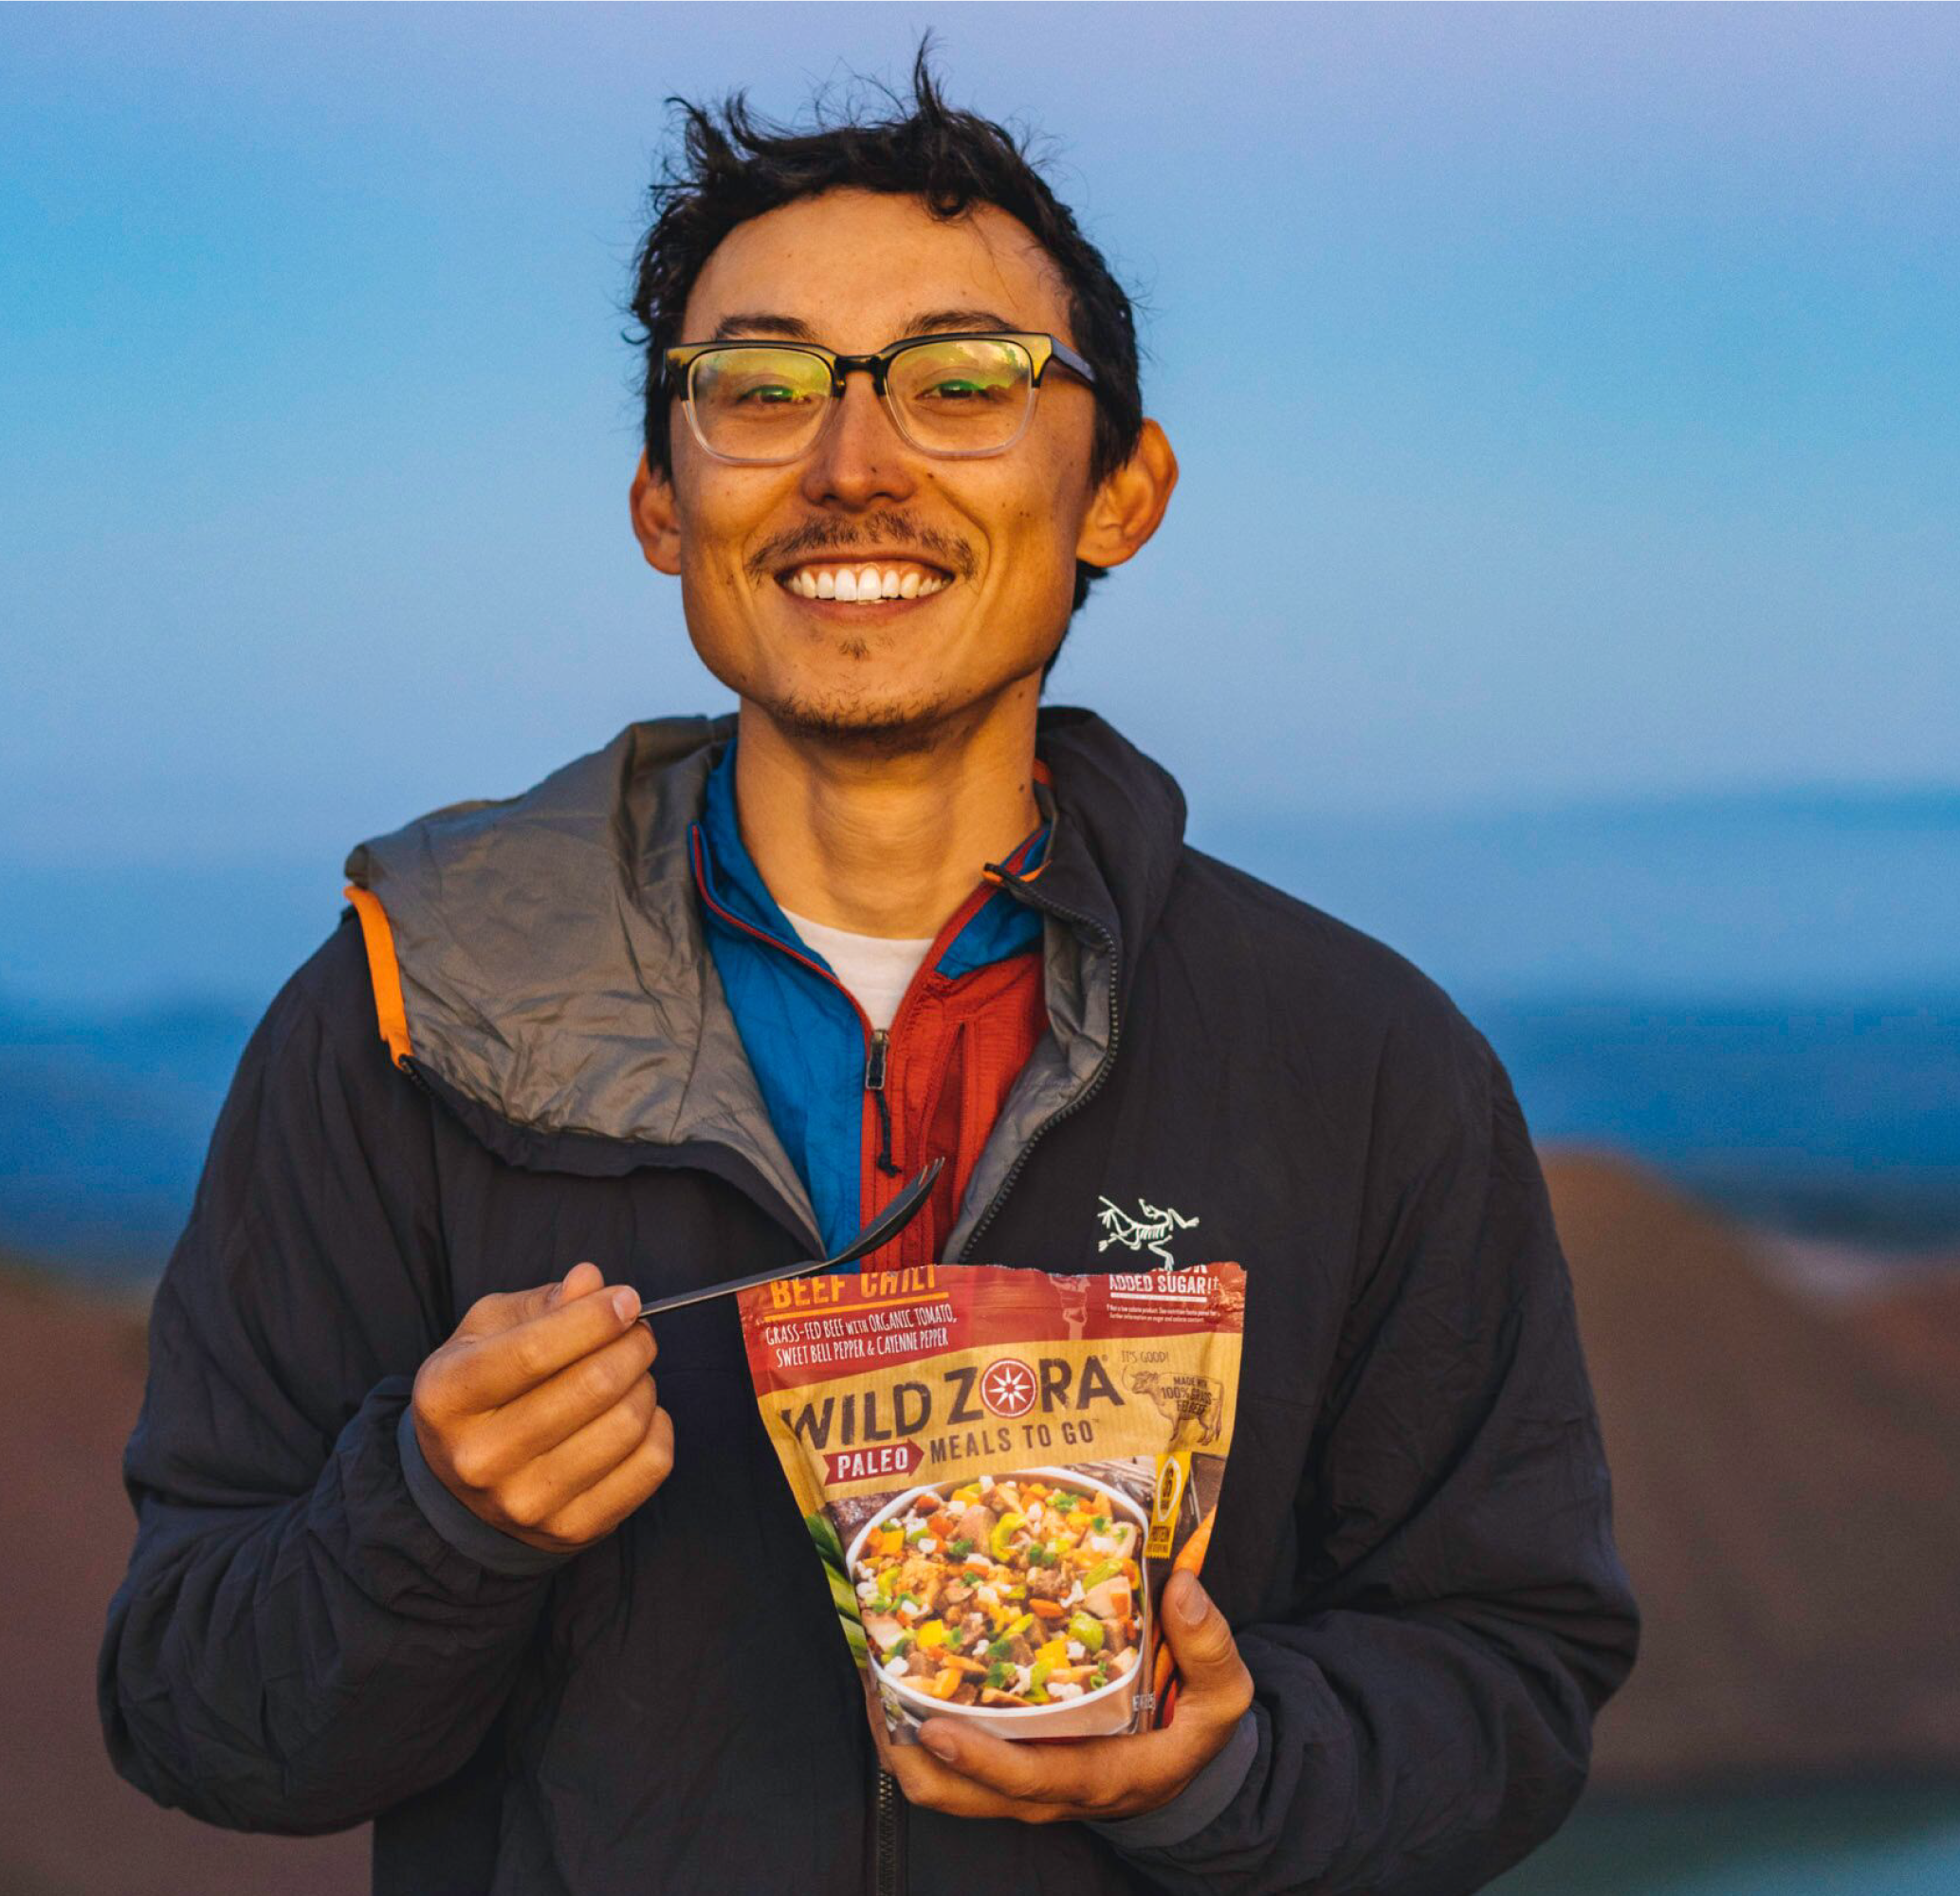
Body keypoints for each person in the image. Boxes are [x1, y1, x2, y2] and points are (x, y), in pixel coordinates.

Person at [100, 51, 1639, 1896]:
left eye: (962, 381)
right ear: (663, 500)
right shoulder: (411, 1014)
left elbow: (1509, 1681)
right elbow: (196, 1716)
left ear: (1121, 490)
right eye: (757, 389)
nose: (852, 466)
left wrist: (1219, 1772)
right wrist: (428, 1522)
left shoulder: (1358, 1061)